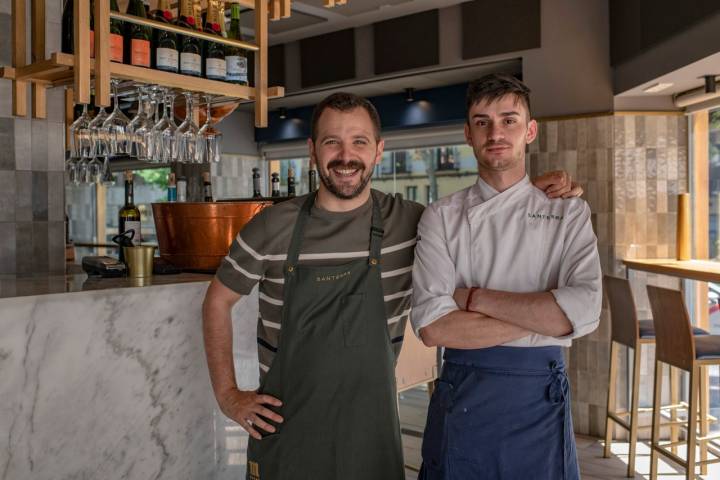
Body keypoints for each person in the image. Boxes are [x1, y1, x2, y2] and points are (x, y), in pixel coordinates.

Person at [202, 91, 582, 480]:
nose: (345, 156)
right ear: (312, 150)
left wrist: (531, 192)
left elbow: (477, 217)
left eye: (359, 142)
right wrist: (229, 395)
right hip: (286, 430)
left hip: (372, 432)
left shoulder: (412, 223)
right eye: (332, 142)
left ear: (379, 151)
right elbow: (217, 301)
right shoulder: (271, 226)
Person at [411, 74, 602, 480]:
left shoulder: (568, 212)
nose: (495, 132)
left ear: (530, 130)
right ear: (468, 133)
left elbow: (584, 311)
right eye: (482, 122)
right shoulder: (441, 217)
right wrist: (544, 317)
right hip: (464, 389)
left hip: (539, 393)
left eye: (509, 120)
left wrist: (474, 299)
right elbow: (432, 327)